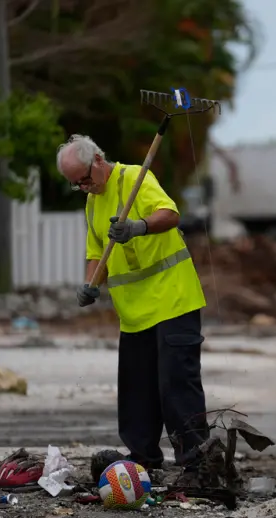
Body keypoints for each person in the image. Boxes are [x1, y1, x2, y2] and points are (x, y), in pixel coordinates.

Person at [55, 134, 210, 486]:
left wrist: (139, 227)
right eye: (74, 184)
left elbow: (169, 214)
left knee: (176, 385)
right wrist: (90, 283)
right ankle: (142, 459)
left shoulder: (135, 178)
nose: (82, 187)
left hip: (173, 300)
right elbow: (97, 250)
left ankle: (197, 464)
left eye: (84, 178)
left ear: (97, 160)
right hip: (135, 312)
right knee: (137, 389)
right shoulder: (92, 203)